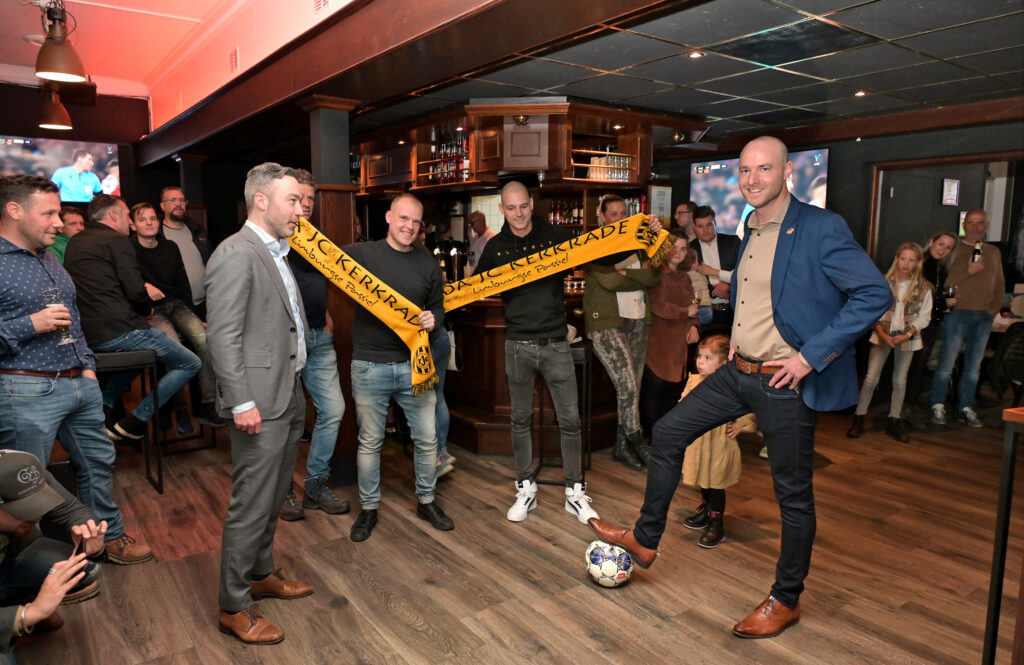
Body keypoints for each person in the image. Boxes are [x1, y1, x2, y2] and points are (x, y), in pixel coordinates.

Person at [588, 136, 891, 639]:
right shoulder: (748, 225)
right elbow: (757, 296)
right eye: (744, 170)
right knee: (666, 433)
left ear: (787, 171)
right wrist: (734, 342)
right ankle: (644, 540)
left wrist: (811, 356)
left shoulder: (819, 227)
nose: (751, 179)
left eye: (763, 169)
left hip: (783, 380)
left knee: (793, 497)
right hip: (738, 371)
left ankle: (786, 599)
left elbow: (873, 293)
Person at [0, 175, 153, 566]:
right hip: (25, 389)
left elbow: (75, 317)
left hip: (78, 382)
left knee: (98, 462)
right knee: (25, 485)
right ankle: (36, 571)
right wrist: (30, 324)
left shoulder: (48, 257)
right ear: (14, 211)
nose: (58, 221)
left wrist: (86, 366)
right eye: (48, 212)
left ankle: (106, 538)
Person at [207, 163, 313, 645]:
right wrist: (241, 401)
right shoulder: (236, 253)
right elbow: (222, 338)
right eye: (292, 200)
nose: (301, 209)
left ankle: (262, 573)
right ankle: (234, 604)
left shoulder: (277, 251)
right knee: (250, 504)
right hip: (258, 402)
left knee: (273, 497)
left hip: (286, 392)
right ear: (262, 201)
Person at [474, 181, 599, 525]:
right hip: (517, 345)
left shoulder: (556, 236)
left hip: (556, 343)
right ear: (502, 209)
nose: (518, 214)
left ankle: (575, 491)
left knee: (571, 420)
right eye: (511, 208)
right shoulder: (496, 247)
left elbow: (599, 252)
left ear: (532, 203)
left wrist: (638, 235)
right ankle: (525, 487)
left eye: (523, 206)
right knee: (520, 420)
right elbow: (475, 287)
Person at [343, 193, 453, 543]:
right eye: (403, 219)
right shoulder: (362, 255)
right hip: (369, 365)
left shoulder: (426, 264)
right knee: (370, 441)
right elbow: (322, 261)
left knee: (426, 439)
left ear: (422, 227)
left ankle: (426, 500)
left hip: (413, 366)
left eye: (416, 222)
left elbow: (439, 308)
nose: (409, 226)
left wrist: (434, 319)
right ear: (389, 217)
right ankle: (369, 509)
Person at [63, 194, 202, 440]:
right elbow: (135, 290)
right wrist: (146, 309)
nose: (129, 221)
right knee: (190, 362)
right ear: (114, 215)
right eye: (127, 215)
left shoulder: (76, 241)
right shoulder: (117, 240)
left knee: (138, 360)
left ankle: (105, 406)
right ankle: (136, 420)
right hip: (120, 329)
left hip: (88, 334)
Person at [278, 169, 349, 521]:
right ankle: (283, 491)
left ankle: (316, 485)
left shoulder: (315, 237)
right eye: (298, 198)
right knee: (288, 419)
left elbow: (323, 280)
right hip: (284, 341)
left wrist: (328, 314)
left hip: (319, 337)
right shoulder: (274, 235)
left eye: (309, 199)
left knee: (333, 410)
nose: (305, 204)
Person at [0, 449, 109, 659]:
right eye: (23, 510)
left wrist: (88, 531)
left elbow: (71, 509)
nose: (37, 516)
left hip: (9, 556)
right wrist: (29, 614)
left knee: (85, 568)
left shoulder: (18, 469)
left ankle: (14, 598)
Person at [128, 202, 226, 431]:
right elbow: (124, 280)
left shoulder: (170, 247)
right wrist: (143, 285)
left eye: (153, 218)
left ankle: (207, 405)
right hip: (151, 311)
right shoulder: (127, 248)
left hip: (176, 305)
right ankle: (180, 411)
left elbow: (182, 283)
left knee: (203, 340)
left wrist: (193, 313)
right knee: (176, 352)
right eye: (143, 219)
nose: (149, 223)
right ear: (133, 225)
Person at [583, 193, 661, 470]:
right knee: (628, 384)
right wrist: (634, 276)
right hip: (606, 322)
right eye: (612, 213)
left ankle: (620, 447)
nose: (618, 217)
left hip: (638, 318)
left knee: (631, 388)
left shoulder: (640, 240)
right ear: (602, 217)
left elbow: (655, 275)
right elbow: (609, 281)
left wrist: (629, 274)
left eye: (622, 213)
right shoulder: (594, 244)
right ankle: (636, 439)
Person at [848, 242, 933, 442]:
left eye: (911, 260)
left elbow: (924, 317)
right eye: (903, 258)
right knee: (871, 378)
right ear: (896, 259)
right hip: (882, 334)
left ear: (918, 263)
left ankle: (894, 420)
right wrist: (882, 333)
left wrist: (908, 334)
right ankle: (859, 417)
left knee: (900, 380)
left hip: (907, 336)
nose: (906, 264)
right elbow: (873, 311)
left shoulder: (923, 288)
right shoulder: (882, 283)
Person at [930, 210, 1005, 428]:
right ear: (964, 224)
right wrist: (969, 271)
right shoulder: (954, 248)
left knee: (974, 366)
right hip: (958, 314)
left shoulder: (994, 251)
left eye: (979, 223)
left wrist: (994, 309)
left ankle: (967, 406)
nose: (975, 227)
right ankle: (937, 404)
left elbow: (999, 282)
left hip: (984, 316)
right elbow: (945, 282)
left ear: (986, 225)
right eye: (970, 223)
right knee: (946, 364)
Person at [680, 334, 756, 549]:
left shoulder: (730, 387)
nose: (700, 361)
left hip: (719, 445)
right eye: (699, 356)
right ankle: (706, 511)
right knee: (703, 481)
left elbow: (747, 408)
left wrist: (741, 425)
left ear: (723, 363)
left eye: (707, 358)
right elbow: (683, 404)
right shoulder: (694, 380)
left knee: (715, 485)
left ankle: (717, 522)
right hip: (699, 443)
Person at [640, 239, 699, 437]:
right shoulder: (656, 274)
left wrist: (694, 324)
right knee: (654, 390)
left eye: (683, 249)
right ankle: (652, 437)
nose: (678, 252)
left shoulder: (685, 277)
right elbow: (659, 307)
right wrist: (686, 311)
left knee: (669, 391)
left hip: (679, 342)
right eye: (673, 247)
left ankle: (664, 436)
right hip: (659, 341)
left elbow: (694, 300)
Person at [904, 231, 957, 422]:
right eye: (941, 244)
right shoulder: (916, 263)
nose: (943, 249)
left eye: (948, 247)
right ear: (931, 242)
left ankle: (907, 407)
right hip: (910, 322)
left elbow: (935, 302)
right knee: (903, 366)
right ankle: (896, 407)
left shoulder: (941, 270)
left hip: (930, 325)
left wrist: (945, 303)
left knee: (919, 366)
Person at [160, 187, 212, 316]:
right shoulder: (157, 236)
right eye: (172, 200)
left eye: (182, 200)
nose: (178, 204)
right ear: (162, 206)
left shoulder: (198, 231)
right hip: (177, 308)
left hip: (206, 304)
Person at [690, 205, 740, 328]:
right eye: (700, 226)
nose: (705, 230)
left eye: (709, 225)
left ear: (715, 224)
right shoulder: (689, 250)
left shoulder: (733, 243)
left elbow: (746, 273)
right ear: (694, 228)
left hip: (731, 312)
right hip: (702, 311)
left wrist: (728, 286)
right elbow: (685, 285)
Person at [465, 210, 495, 277]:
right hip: (473, 275)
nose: (471, 227)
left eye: (472, 223)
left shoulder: (491, 239)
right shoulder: (475, 237)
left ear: (481, 221)